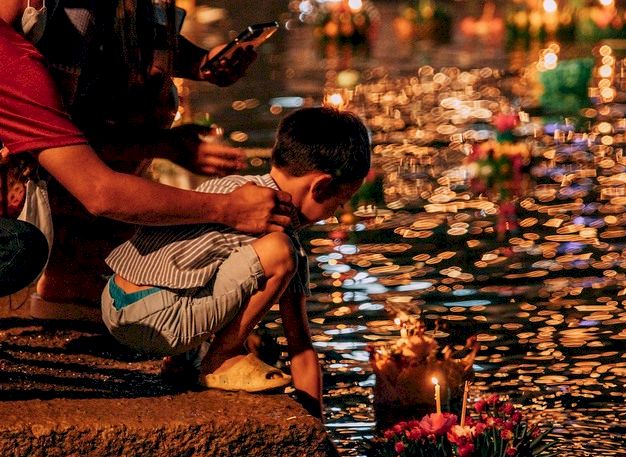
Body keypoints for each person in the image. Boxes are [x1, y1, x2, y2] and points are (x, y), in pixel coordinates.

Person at [0, 0, 290, 302]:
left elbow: (128, 36)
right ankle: (71, 273)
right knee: (20, 248)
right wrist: (229, 209)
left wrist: (199, 62)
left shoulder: (20, 51)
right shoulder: (18, 62)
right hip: (66, 177)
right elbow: (98, 190)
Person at [100, 107, 371, 415]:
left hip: (113, 302)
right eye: (339, 202)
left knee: (213, 268)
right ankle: (221, 358)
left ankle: (183, 360)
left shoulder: (231, 189)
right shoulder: (282, 234)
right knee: (279, 253)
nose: (334, 214)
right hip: (158, 321)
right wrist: (317, 424)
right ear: (319, 186)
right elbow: (301, 346)